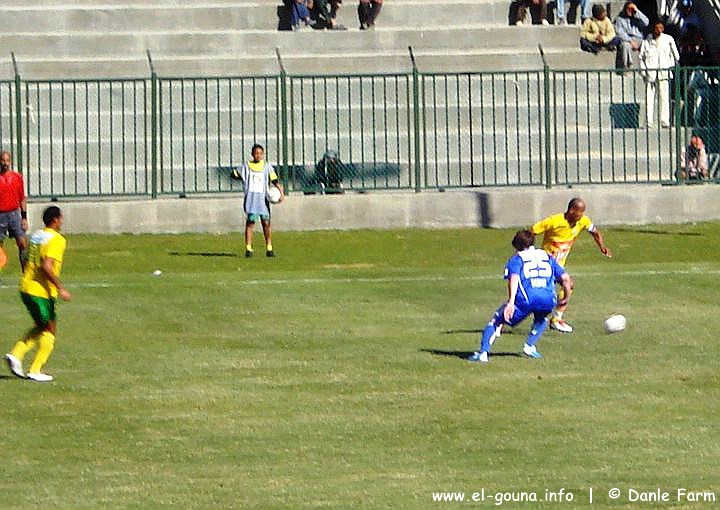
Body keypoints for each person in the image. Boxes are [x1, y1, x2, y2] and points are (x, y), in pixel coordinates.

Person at [468, 230, 572, 363]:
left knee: (497, 320)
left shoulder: (517, 260)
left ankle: (483, 353)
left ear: (516, 245)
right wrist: (566, 298)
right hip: (548, 299)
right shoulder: (546, 256)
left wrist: (511, 303)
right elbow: (565, 278)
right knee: (541, 317)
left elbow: (514, 278)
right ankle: (529, 346)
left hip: (527, 299)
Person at [5, 206, 71, 382]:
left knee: (42, 325)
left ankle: (16, 354)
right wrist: (60, 287)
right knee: (50, 328)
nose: (62, 222)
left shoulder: (36, 236)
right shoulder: (57, 240)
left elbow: (26, 258)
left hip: (26, 286)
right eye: (61, 218)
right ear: (56, 220)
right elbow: (47, 266)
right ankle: (35, 369)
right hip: (40, 291)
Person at [530, 198, 612, 333]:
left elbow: (595, 232)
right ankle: (514, 318)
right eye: (580, 212)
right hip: (545, 264)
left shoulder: (583, 221)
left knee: (568, 286)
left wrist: (602, 247)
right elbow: (531, 231)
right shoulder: (553, 221)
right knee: (543, 295)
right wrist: (529, 251)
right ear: (572, 210)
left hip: (558, 266)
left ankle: (556, 320)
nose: (581, 216)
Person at [231, 144, 284, 258]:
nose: (258, 155)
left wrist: (281, 192)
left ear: (263, 154)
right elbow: (234, 174)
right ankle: (248, 248)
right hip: (251, 199)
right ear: (252, 154)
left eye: (260, 153)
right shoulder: (246, 166)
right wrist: (243, 178)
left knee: (266, 223)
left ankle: (269, 248)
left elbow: (274, 179)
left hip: (263, 200)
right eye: (256, 153)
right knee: (250, 223)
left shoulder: (267, 167)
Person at [640, 21, 679, 128]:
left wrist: (668, 66)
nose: (659, 30)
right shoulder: (647, 41)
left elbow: (676, 56)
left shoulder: (668, 39)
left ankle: (664, 121)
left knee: (664, 97)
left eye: (661, 28)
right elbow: (641, 57)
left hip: (663, 72)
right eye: (657, 28)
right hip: (650, 73)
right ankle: (648, 121)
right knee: (649, 97)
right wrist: (644, 71)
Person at [0, 151, 29, 272]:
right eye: (3, 160)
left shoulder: (17, 177)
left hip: (14, 214)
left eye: (7, 161)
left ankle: (26, 272)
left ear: (10, 162)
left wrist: (24, 217)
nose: (5, 163)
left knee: (22, 243)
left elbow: (22, 198)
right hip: (0, 214)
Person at [614, 2, 650, 69]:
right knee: (625, 45)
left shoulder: (638, 17)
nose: (630, 10)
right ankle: (627, 65)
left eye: (631, 8)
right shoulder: (619, 19)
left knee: (647, 44)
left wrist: (637, 12)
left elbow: (646, 22)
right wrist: (630, 41)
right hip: (627, 39)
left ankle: (648, 67)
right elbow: (619, 32)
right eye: (628, 8)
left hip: (639, 39)